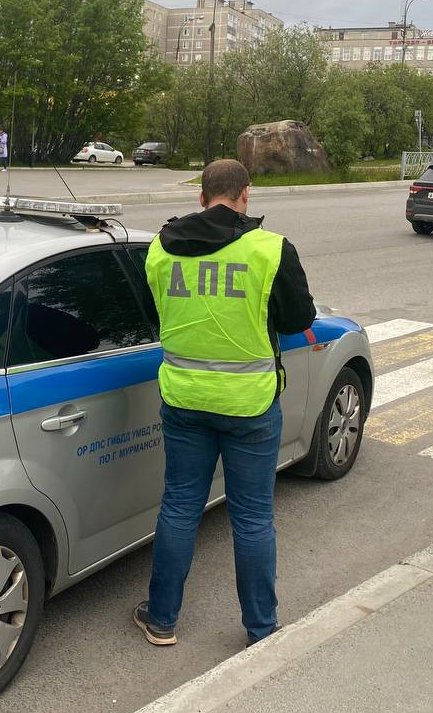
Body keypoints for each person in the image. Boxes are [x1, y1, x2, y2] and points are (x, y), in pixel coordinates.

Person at [134, 158, 316, 648]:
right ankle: (260, 628)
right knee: (253, 518)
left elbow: (160, 312)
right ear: (245, 195)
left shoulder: (159, 250)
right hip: (250, 406)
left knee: (178, 507)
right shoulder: (270, 250)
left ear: (201, 197)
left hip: (184, 400)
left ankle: (162, 620)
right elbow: (300, 317)